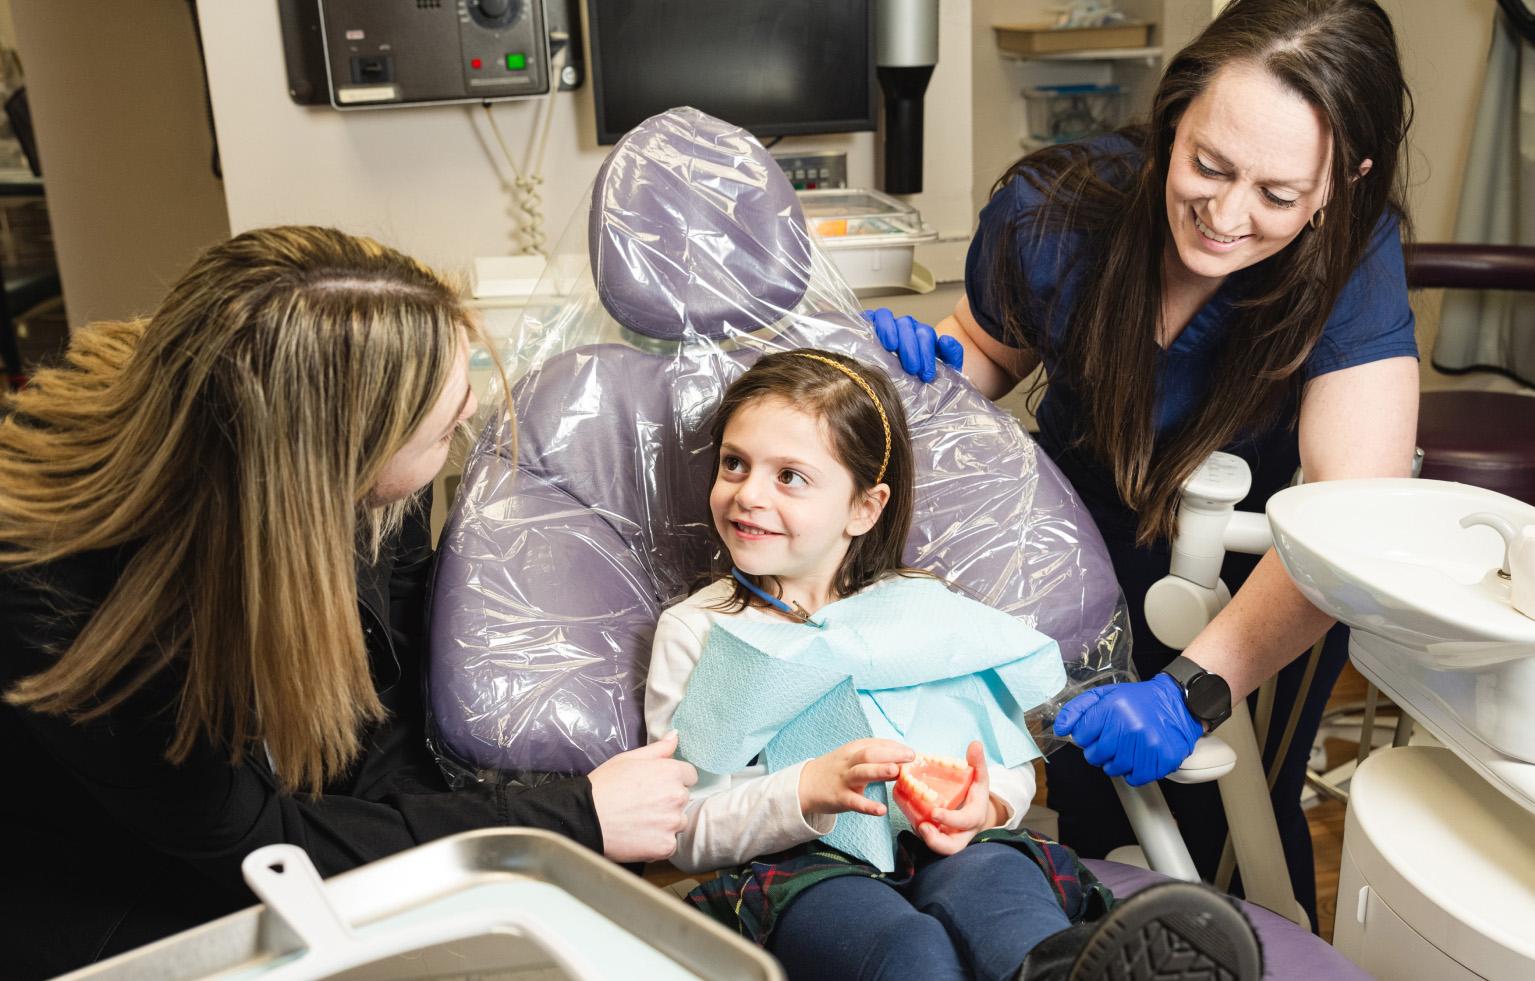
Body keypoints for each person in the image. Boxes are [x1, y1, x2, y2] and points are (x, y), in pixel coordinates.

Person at [0, 226, 696, 978]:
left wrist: (419, 803)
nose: (467, 418)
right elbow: (259, 844)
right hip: (104, 877)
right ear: (335, 463)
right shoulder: (71, 601)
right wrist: (567, 821)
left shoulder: (288, 403)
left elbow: (392, 632)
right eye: (440, 426)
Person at [866, 0, 1417, 926]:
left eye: (1278, 195)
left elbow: (1348, 510)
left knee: (1232, 834)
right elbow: (989, 348)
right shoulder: (1058, 205)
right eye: (1206, 163)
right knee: (1081, 814)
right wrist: (931, 365)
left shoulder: (1351, 257)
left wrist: (1193, 688)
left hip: (1266, 590)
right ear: (1175, 117)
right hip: (1074, 556)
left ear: (1342, 182)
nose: (1226, 214)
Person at [646, 349, 1263, 981]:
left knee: (1010, 916)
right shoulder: (700, 633)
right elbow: (686, 827)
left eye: (789, 477)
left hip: (960, 848)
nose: (747, 494)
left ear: (865, 506)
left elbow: (1005, 768)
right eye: (733, 464)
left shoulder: (926, 615)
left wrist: (986, 807)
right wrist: (804, 791)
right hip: (807, 869)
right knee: (909, 952)